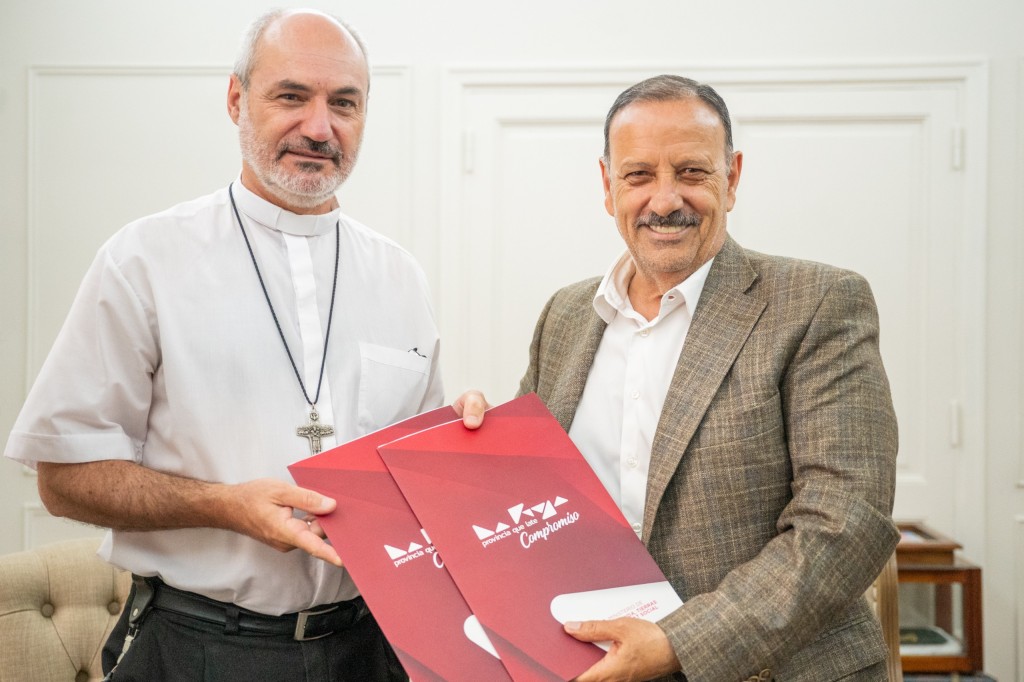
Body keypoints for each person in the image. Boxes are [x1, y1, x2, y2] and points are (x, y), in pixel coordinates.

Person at [4, 9, 451, 681]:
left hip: (372, 650)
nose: (319, 128)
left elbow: (424, 485)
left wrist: (467, 444)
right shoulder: (143, 260)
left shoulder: (401, 276)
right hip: (197, 647)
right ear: (237, 99)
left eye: (344, 104)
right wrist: (225, 507)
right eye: (291, 96)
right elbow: (64, 478)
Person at [455, 75, 899, 681]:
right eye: (639, 176)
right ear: (608, 186)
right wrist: (475, 445)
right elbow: (534, 504)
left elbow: (844, 522)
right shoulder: (565, 315)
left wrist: (678, 644)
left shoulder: (818, 302)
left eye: (691, 172)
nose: (665, 200)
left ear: (732, 177)